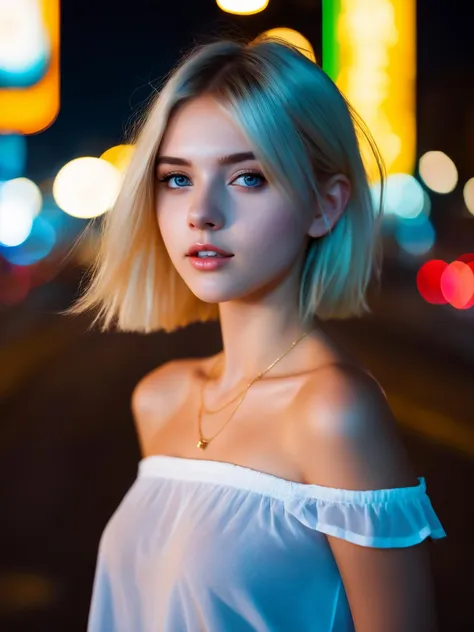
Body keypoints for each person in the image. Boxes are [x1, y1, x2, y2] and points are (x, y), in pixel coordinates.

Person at [64, 36, 447, 631]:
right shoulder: (159, 397)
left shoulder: (333, 411)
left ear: (325, 205)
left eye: (246, 177)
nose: (201, 212)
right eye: (176, 179)